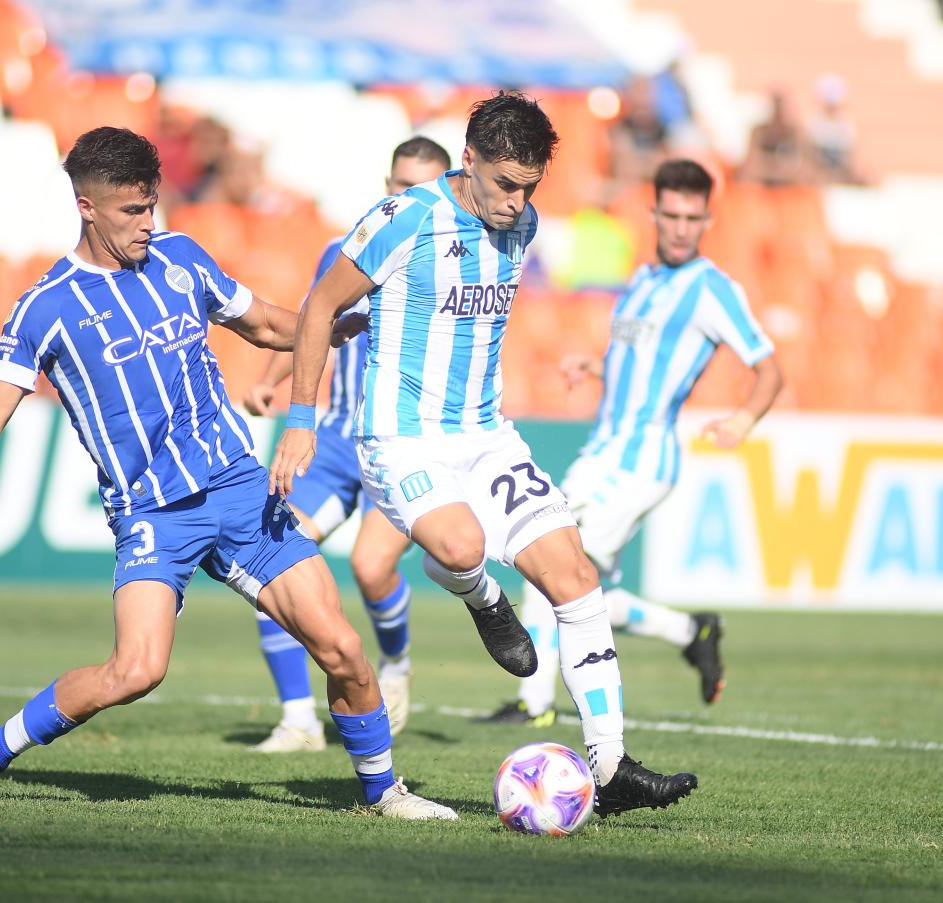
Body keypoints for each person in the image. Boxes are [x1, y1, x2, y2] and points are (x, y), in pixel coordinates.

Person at [0, 127, 456, 821]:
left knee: (345, 649)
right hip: (152, 513)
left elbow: (264, 323)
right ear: (87, 207)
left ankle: (385, 792)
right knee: (135, 671)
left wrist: (331, 325)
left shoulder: (180, 260)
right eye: (130, 213)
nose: (148, 224)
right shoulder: (45, 308)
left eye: (152, 207)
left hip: (240, 490)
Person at [269, 92, 697, 817]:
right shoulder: (404, 219)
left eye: (529, 187)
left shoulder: (522, 223)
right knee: (460, 544)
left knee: (576, 573)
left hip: (486, 433)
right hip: (401, 435)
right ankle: (481, 596)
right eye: (504, 183)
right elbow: (318, 305)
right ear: (468, 159)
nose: (516, 202)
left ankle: (613, 764)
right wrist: (301, 419)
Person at [486, 158, 784, 726]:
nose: (679, 227)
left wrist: (742, 422)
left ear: (707, 220)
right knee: (575, 581)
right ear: (653, 213)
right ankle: (690, 630)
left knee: (551, 562)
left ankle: (535, 705)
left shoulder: (712, 289)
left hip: (640, 461)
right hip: (606, 450)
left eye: (691, 218)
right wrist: (596, 365)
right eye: (670, 214)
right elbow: (640, 356)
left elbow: (769, 369)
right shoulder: (646, 279)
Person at [242, 137, 452, 752]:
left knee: (369, 566)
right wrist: (269, 383)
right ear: (384, 183)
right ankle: (299, 722)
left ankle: (396, 662)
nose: (404, 199)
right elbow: (315, 324)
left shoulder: (454, 261)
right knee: (271, 561)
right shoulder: (347, 251)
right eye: (398, 186)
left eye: (420, 189)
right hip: (335, 443)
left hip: (405, 442)